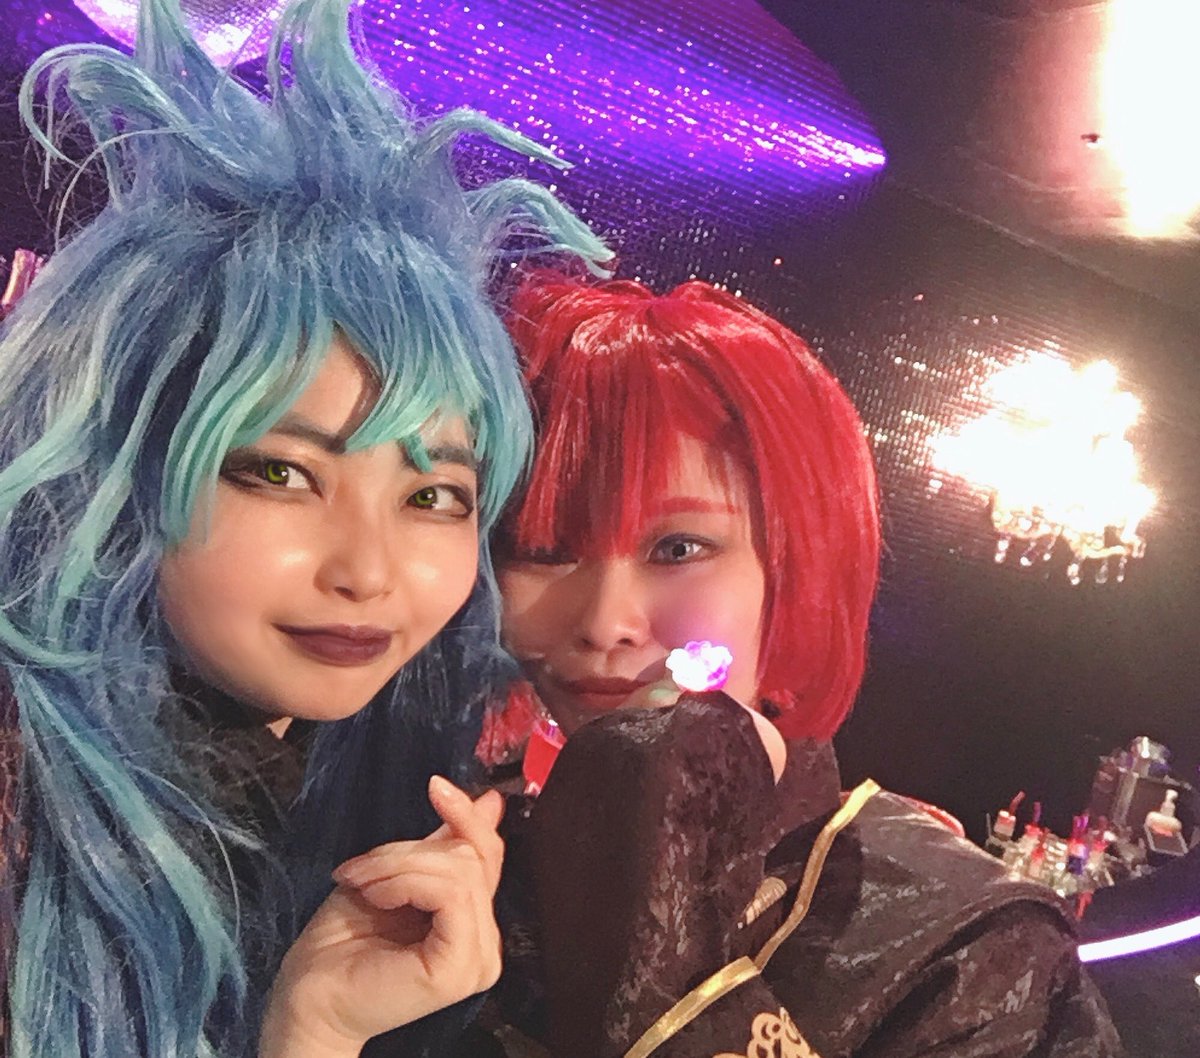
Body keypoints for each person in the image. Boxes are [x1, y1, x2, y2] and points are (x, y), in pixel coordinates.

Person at [0, 1, 608, 1056]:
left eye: (433, 496)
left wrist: (314, 1030)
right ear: (117, 469)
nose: (370, 570)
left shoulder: (369, 791)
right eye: (282, 473)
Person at [482, 277, 1122, 1057]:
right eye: (542, 549)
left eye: (679, 548)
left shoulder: (972, 945)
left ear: (795, 568)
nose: (603, 622)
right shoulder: (456, 843)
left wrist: (667, 949)